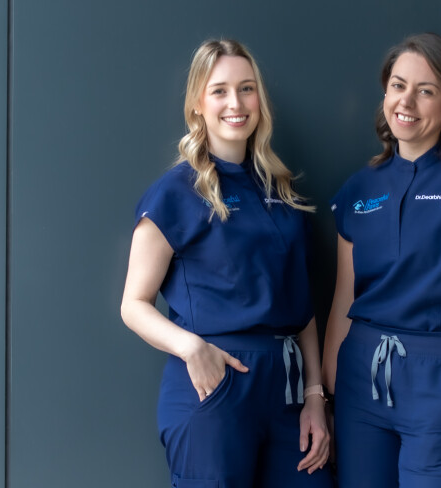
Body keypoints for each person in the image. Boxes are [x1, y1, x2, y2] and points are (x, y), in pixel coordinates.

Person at [120, 39, 332, 488]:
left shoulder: (282, 191)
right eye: (219, 91)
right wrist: (190, 348)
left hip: (288, 391)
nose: (235, 103)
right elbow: (133, 304)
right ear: (198, 104)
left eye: (246, 88)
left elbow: (302, 306)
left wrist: (315, 394)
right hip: (214, 385)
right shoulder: (175, 192)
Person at [322, 33, 441, 488]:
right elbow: (344, 299)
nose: (406, 101)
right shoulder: (358, 188)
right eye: (398, 85)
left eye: (426, 90)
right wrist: (333, 392)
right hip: (360, 385)